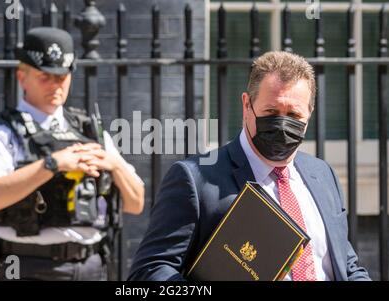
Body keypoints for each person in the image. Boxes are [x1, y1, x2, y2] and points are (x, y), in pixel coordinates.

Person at [128, 51, 370, 281]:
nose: (282, 124)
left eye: (294, 115)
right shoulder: (195, 178)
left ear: (310, 113)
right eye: (271, 111)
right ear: (246, 105)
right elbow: (150, 270)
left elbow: (345, 264)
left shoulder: (323, 174)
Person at [0, 27, 145, 281]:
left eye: (62, 77)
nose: (55, 85)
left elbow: (136, 203)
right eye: (44, 76)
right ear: (22, 77)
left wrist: (115, 165)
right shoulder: (1, 130)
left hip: (92, 266)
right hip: (28, 266)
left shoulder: (89, 130)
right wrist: (52, 164)